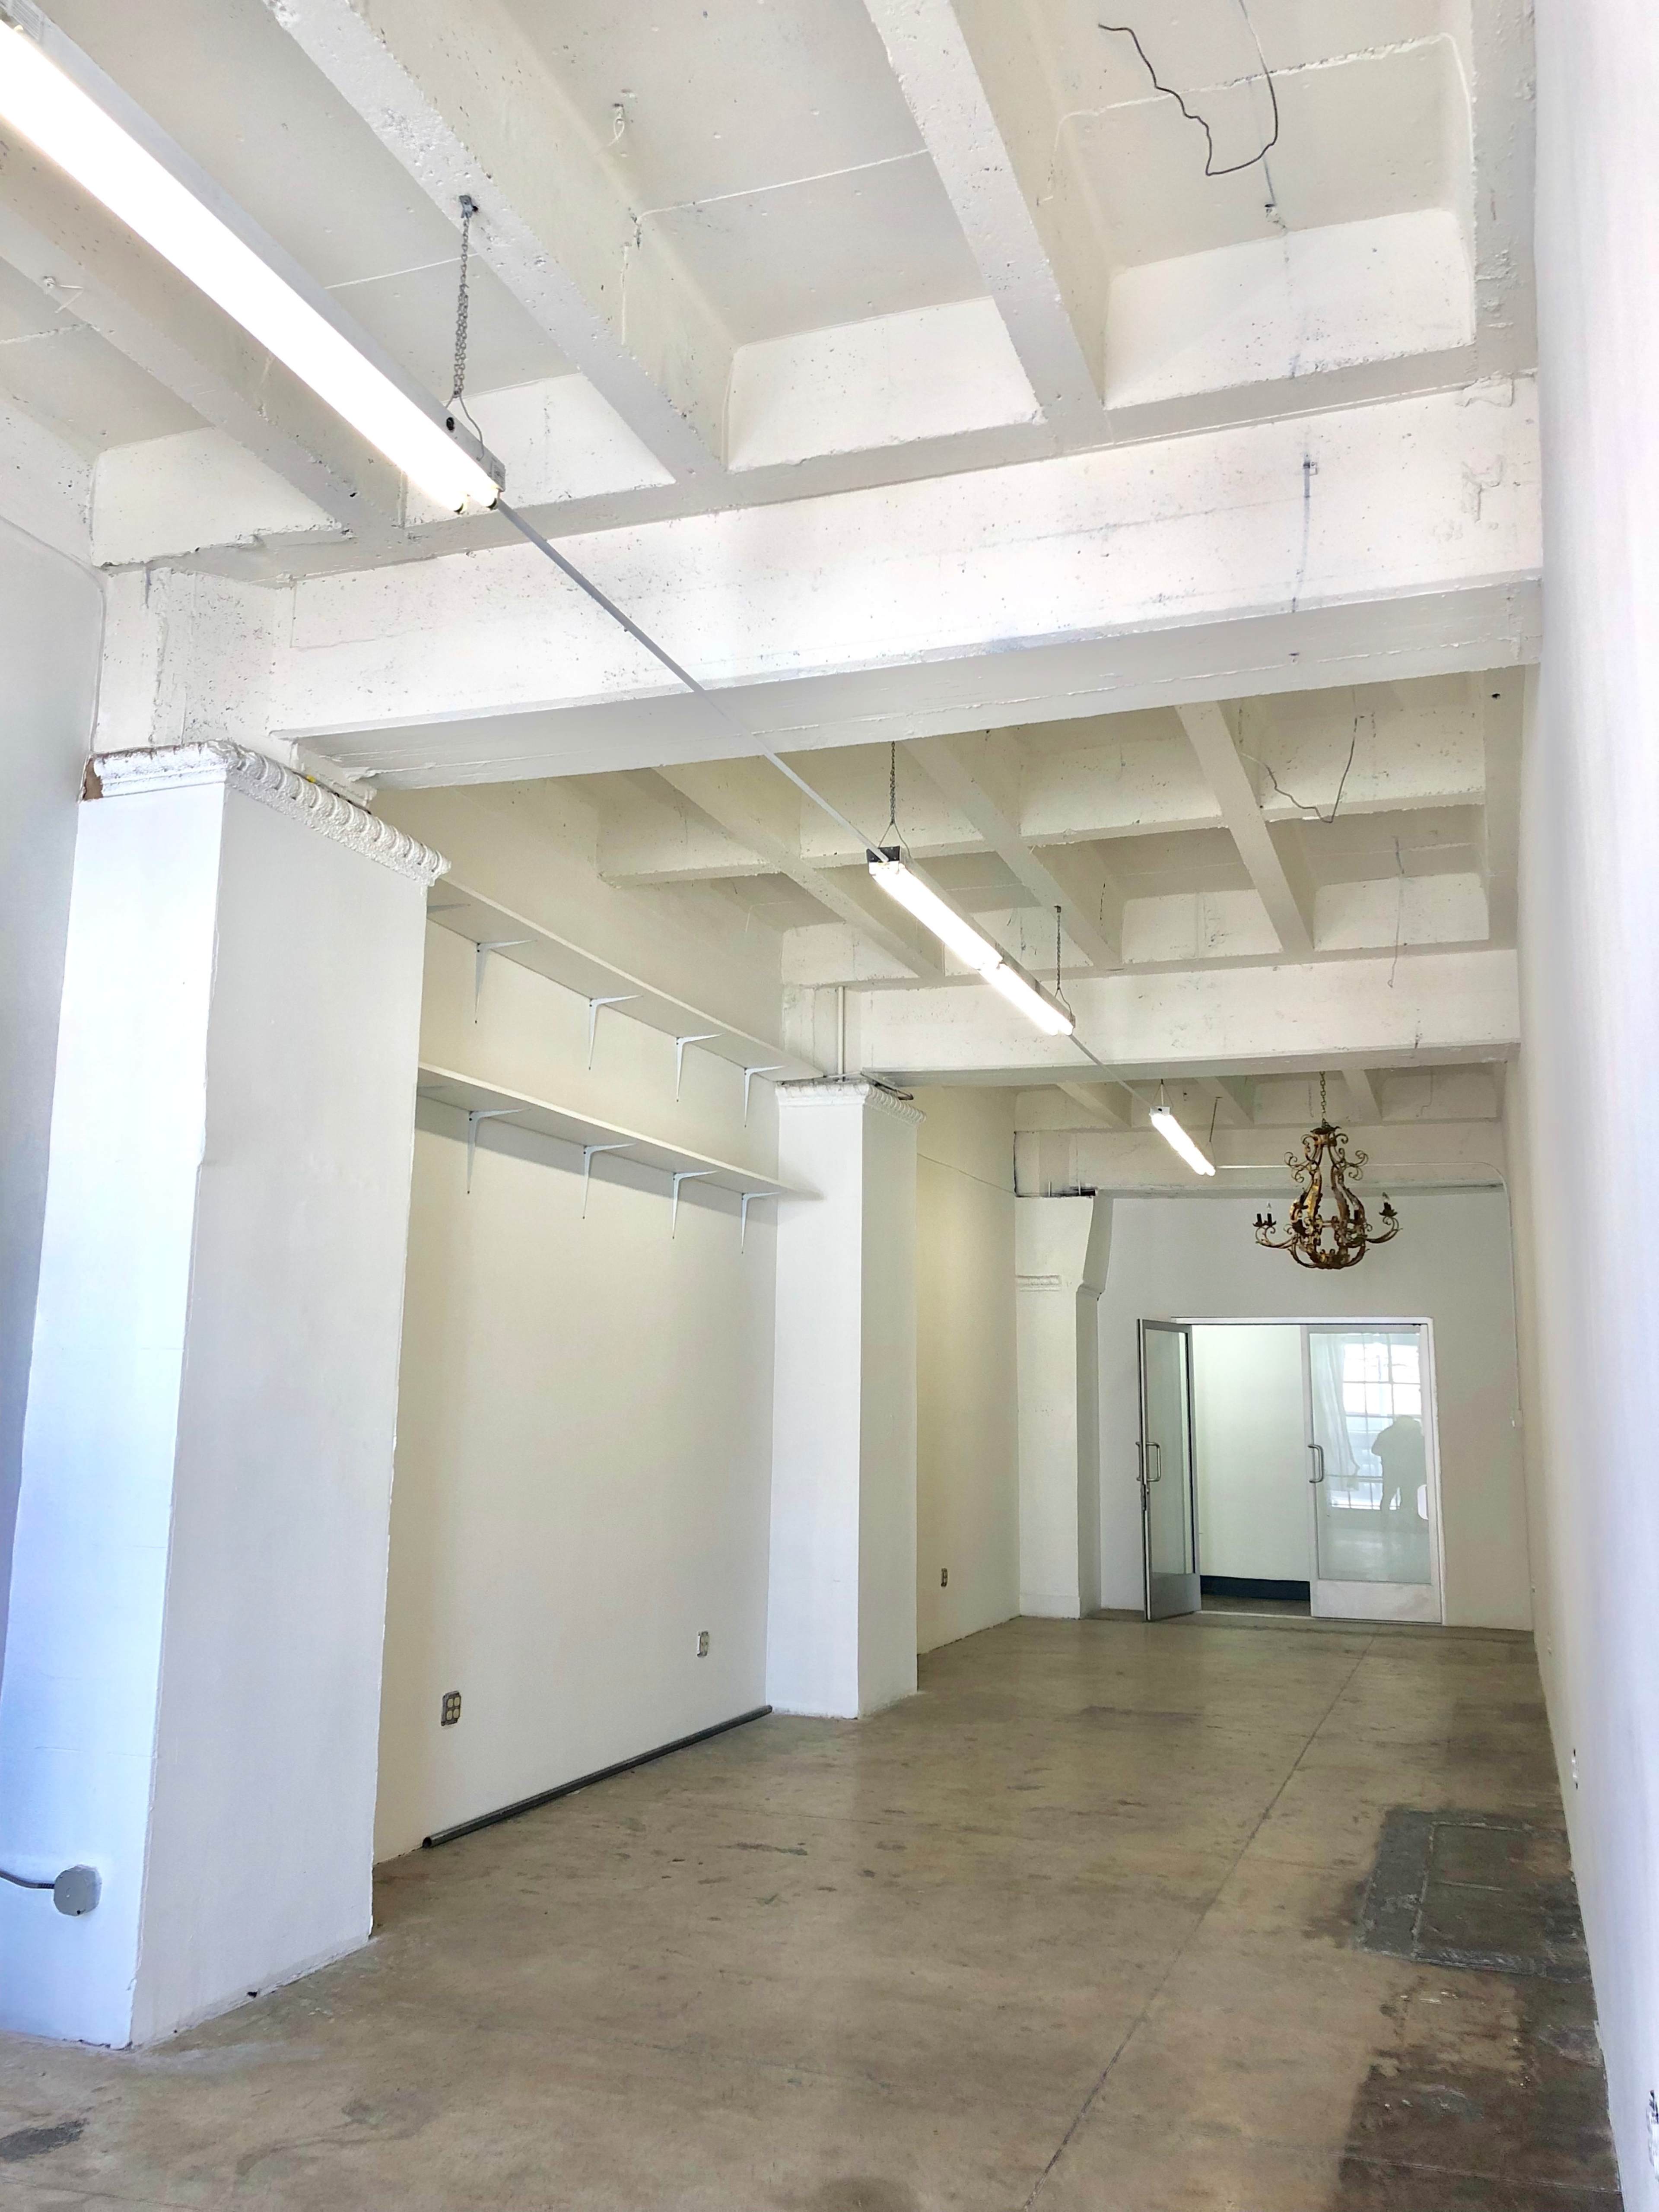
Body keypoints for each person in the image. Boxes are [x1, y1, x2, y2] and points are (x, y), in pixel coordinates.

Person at [1372, 1413, 1425, 1519]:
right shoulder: (1417, 1435)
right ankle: (1403, 1519)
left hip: (1394, 1470)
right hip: (1407, 1470)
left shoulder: (1388, 1434)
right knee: (1405, 1496)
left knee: (1392, 1495)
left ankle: (1386, 1518)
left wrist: (1390, 1455)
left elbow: (1376, 1450)